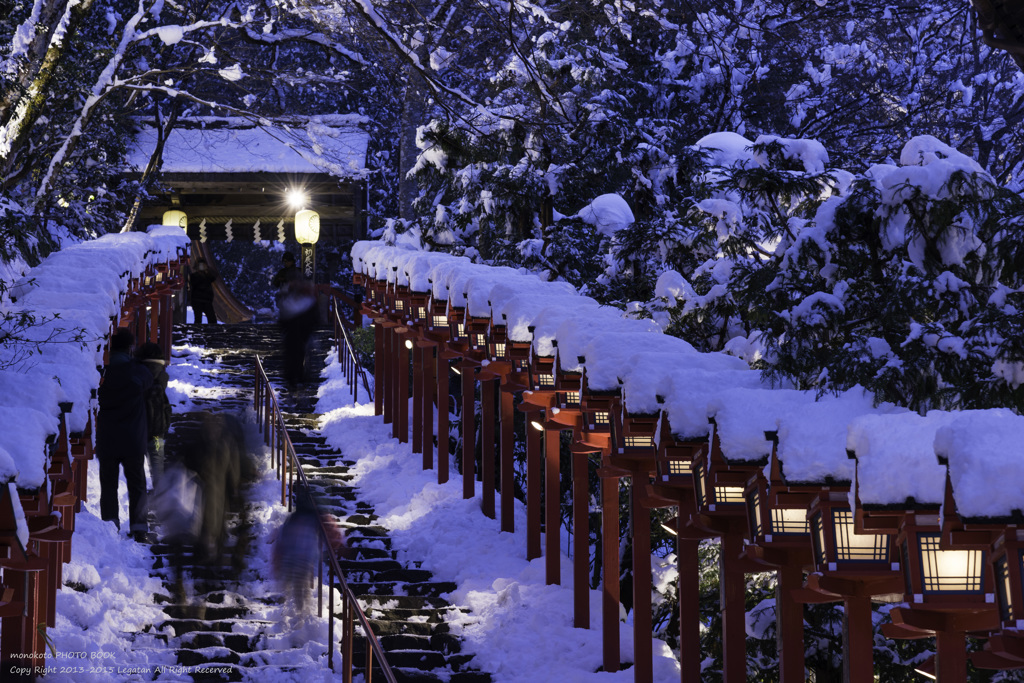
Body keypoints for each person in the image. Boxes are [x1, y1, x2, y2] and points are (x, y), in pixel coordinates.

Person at [96, 328, 153, 542]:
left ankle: (110, 525)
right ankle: (139, 528)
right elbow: (150, 379)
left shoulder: (101, 374)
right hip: (133, 438)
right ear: (129, 348)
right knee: (137, 484)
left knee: (109, 485)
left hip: (107, 438)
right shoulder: (137, 372)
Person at [189, 258, 218, 324]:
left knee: (212, 319)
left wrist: (207, 270)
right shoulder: (194, 276)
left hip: (206, 300)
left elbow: (214, 276)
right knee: (198, 319)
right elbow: (194, 283)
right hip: (197, 300)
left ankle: (211, 330)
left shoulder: (208, 276)